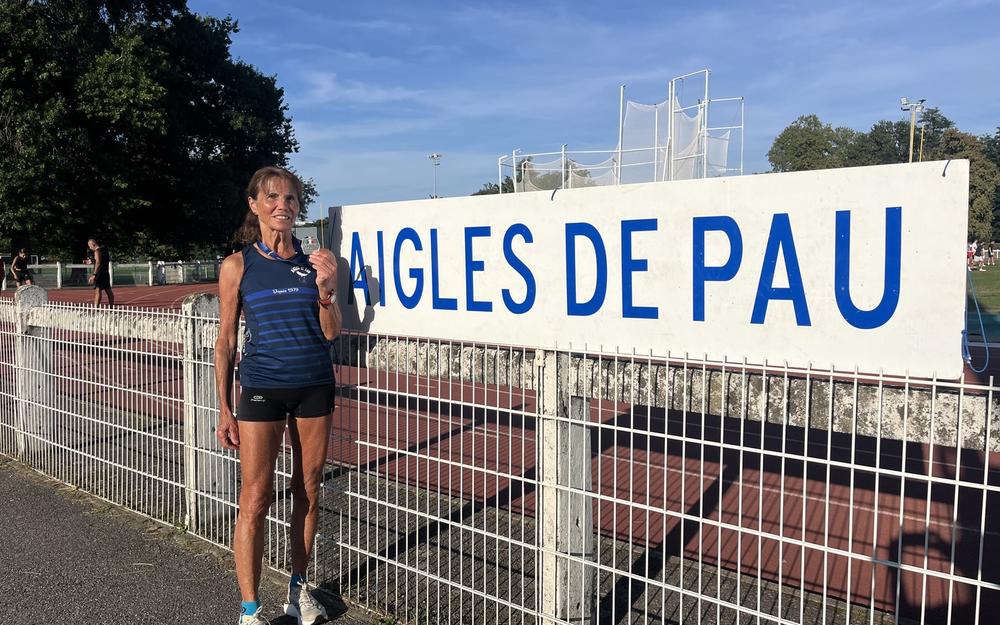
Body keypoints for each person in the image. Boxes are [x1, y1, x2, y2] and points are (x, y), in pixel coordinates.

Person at [215, 166, 342, 625]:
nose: (282, 205)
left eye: (290, 198)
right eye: (272, 197)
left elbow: (331, 333)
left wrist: (327, 292)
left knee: (308, 489)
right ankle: (250, 610)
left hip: (314, 386)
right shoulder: (238, 265)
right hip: (262, 388)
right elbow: (226, 339)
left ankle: (298, 590)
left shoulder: (317, 263)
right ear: (255, 204)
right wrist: (225, 406)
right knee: (256, 496)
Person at [87, 238, 115, 306]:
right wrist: (92, 261)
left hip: (99, 273)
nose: (90, 248)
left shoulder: (97, 251)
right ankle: (111, 307)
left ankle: (96, 308)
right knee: (108, 290)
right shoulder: (105, 250)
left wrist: (94, 274)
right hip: (105, 272)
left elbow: (98, 263)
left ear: (93, 244)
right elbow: (101, 260)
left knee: (98, 290)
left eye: (90, 246)